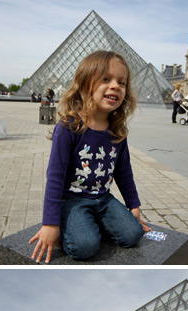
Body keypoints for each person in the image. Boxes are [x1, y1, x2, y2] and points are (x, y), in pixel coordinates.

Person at [28, 51, 150, 263]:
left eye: (122, 82)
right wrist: (50, 224)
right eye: (106, 79)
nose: (115, 86)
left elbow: (124, 172)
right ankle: (71, 229)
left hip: (103, 197)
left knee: (133, 234)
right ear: (85, 84)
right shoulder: (68, 127)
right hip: (72, 199)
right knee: (85, 247)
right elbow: (55, 178)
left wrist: (134, 206)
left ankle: (91, 222)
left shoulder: (117, 130)